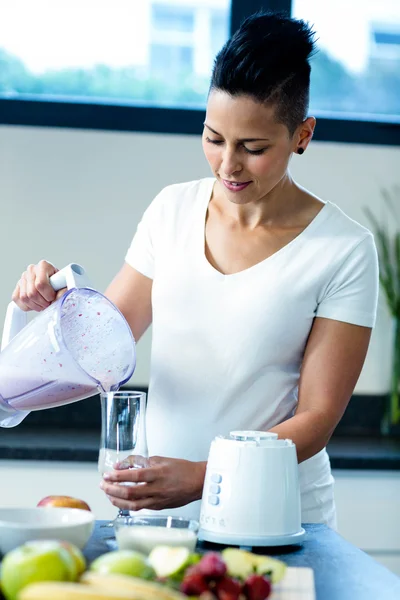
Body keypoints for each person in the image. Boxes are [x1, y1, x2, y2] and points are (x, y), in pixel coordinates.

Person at [13, 11, 379, 528]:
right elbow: (101, 347)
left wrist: (206, 476)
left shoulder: (343, 249)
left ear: (303, 135)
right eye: (213, 138)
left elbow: (317, 419)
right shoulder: (172, 210)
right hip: (158, 515)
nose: (227, 165)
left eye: (253, 148)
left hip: (276, 519)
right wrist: (48, 314)